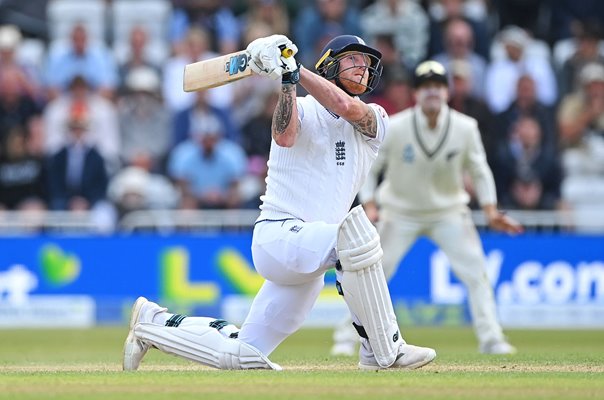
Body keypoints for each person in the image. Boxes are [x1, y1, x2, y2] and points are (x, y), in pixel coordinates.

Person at [123, 34, 437, 371]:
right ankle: (384, 351)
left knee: (243, 354)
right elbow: (284, 136)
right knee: (356, 234)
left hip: (313, 256)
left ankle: (151, 323)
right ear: (329, 64)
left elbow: (346, 108)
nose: (363, 68)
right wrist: (288, 80)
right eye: (353, 59)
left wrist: (293, 67)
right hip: (279, 237)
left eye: (368, 63)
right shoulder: (300, 107)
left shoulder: (376, 119)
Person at [331, 60, 523, 357]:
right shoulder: (395, 126)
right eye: (424, 87)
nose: (431, 92)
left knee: (477, 273)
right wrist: (369, 203)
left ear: (446, 92)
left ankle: (492, 338)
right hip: (399, 211)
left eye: (437, 86)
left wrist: (490, 210)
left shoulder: (465, 127)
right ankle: (345, 336)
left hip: (449, 212)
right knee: (371, 273)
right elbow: (371, 166)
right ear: (415, 93)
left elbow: (479, 169)